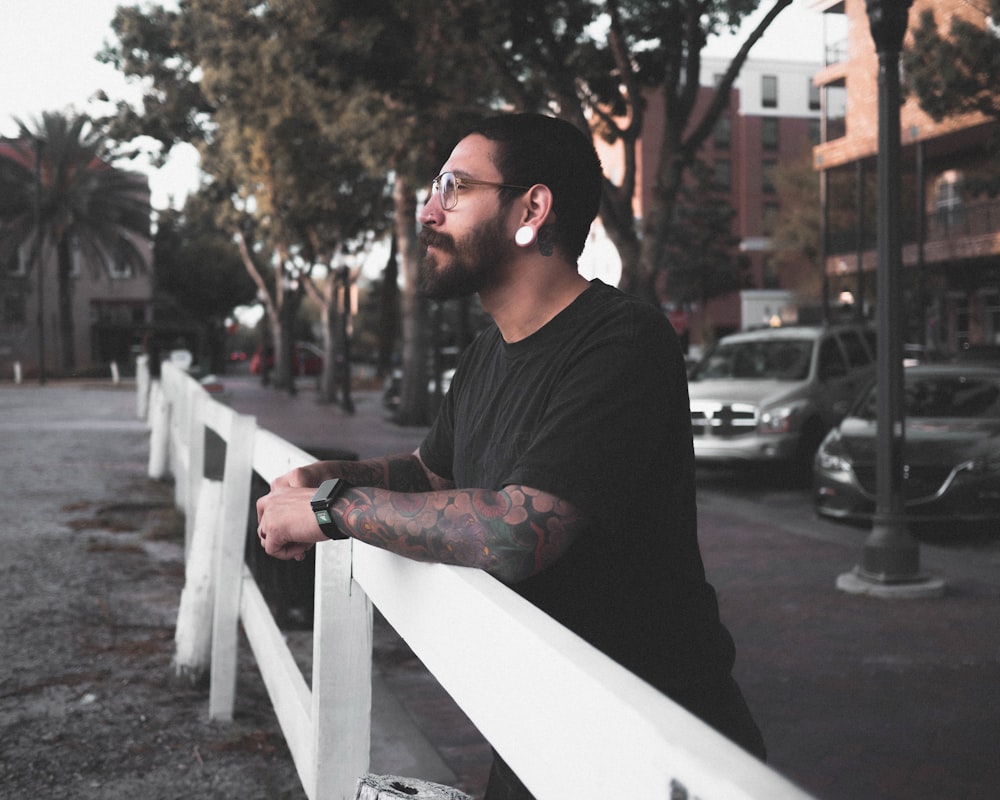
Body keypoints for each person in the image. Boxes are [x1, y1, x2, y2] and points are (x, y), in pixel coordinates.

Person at [256, 113, 765, 798]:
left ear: (532, 207)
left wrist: (332, 508)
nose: (428, 211)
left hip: (648, 742)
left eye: (455, 188)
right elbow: (434, 473)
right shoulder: (487, 351)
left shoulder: (623, 341)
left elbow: (520, 530)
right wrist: (333, 474)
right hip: (537, 721)